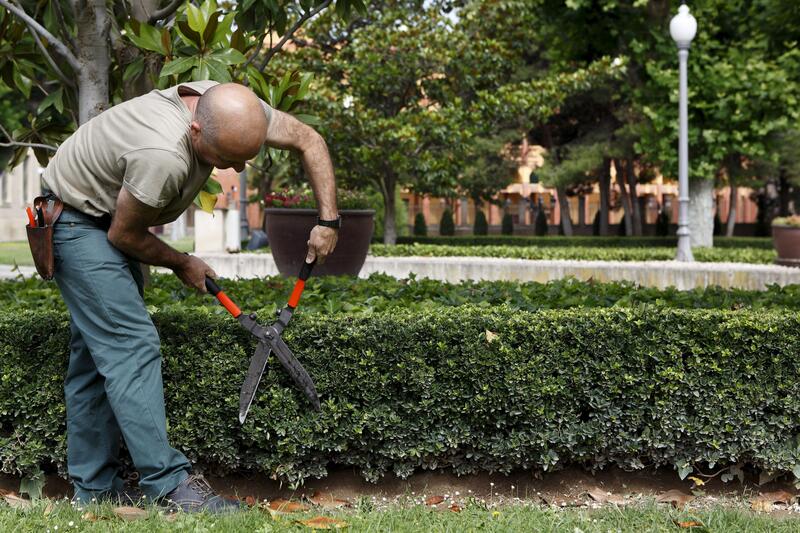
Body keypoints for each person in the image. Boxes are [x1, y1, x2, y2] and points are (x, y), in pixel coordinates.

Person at [41, 81, 339, 513]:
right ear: (196, 131)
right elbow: (124, 235)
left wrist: (329, 220)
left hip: (102, 215)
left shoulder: (235, 109)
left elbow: (309, 139)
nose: (236, 171)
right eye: (227, 160)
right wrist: (183, 262)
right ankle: (169, 486)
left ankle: (94, 490)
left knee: (94, 354)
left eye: (245, 159)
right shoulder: (162, 155)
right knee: (131, 344)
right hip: (76, 223)